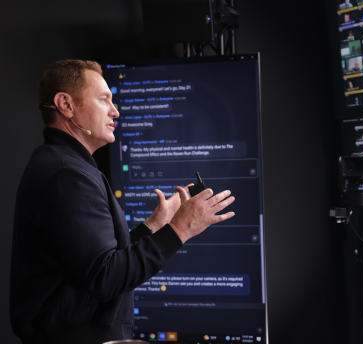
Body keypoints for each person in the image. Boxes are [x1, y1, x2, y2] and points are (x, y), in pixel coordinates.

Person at [10, 60, 237, 343]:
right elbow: (105, 278)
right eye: (104, 99)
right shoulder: (67, 174)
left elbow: (97, 261)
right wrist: (180, 228)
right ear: (65, 105)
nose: (115, 111)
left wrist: (154, 226)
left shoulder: (65, 166)